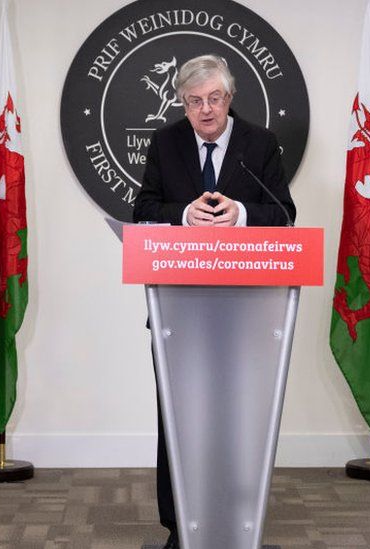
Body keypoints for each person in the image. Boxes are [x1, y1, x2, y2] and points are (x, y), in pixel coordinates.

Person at [133, 54, 296, 548]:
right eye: (194, 101)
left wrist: (241, 214)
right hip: (178, 312)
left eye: (215, 99)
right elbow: (142, 209)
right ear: (182, 103)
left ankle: (236, 522)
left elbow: (285, 213)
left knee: (239, 418)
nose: (206, 110)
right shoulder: (165, 143)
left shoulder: (259, 144)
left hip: (246, 311)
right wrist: (185, 215)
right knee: (178, 419)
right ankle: (180, 526)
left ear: (229, 98)